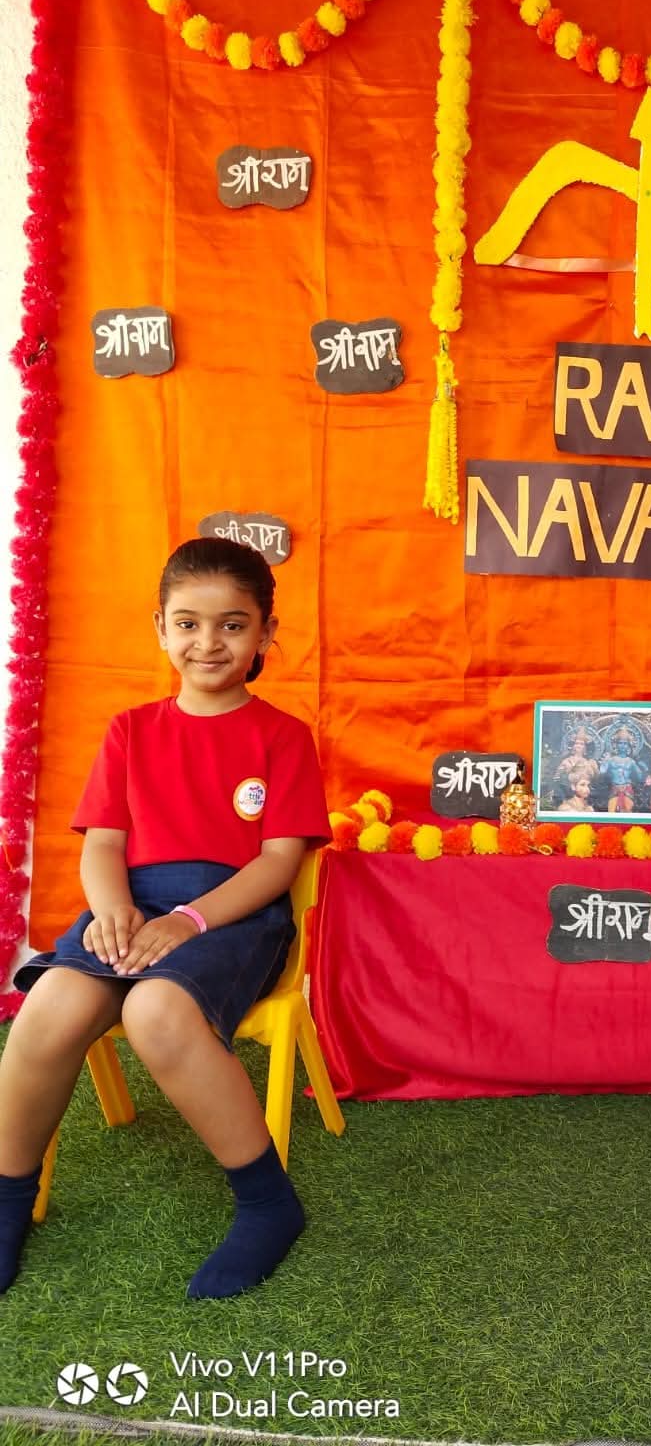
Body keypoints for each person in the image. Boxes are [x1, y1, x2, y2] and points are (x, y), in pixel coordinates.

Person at [0, 537, 330, 1299]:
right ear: (159, 628)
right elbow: (103, 847)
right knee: (48, 1008)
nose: (207, 643)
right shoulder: (130, 731)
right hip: (131, 906)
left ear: (266, 635)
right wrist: (112, 909)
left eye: (232, 625)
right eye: (187, 623)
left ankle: (268, 1203)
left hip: (233, 917)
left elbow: (278, 863)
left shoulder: (282, 738)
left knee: (155, 1010)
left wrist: (188, 920)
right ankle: (10, 1199)